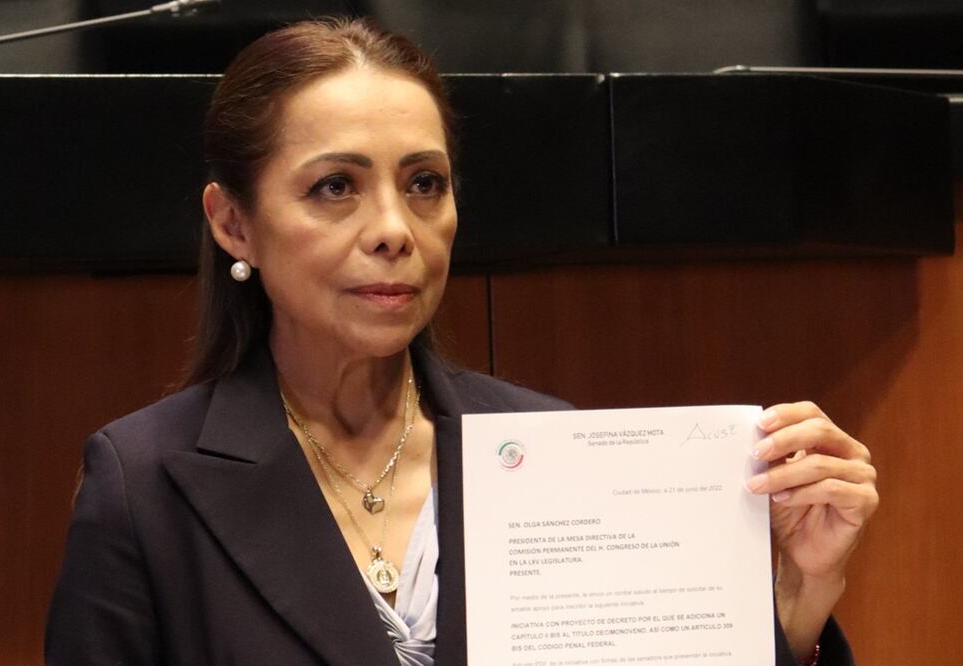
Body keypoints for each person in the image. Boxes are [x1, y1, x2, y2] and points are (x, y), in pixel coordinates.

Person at [45, 17, 879, 666]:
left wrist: (796, 602)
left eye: (424, 185)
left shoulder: (553, 451)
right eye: (335, 186)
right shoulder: (144, 488)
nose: (394, 230)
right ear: (234, 223)